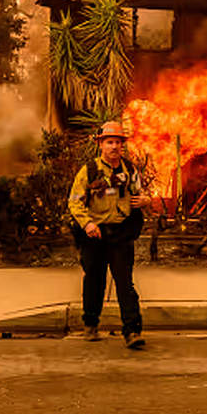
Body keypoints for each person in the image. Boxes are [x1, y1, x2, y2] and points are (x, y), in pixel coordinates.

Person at [68, 121, 149, 349]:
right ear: (100, 145)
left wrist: (146, 200)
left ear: (122, 146)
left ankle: (132, 331)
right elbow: (74, 203)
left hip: (121, 234)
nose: (114, 146)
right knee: (94, 280)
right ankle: (91, 324)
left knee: (125, 283)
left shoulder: (130, 170)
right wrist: (87, 224)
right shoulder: (89, 171)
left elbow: (139, 194)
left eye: (118, 142)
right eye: (109, 142)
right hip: (95, 236)